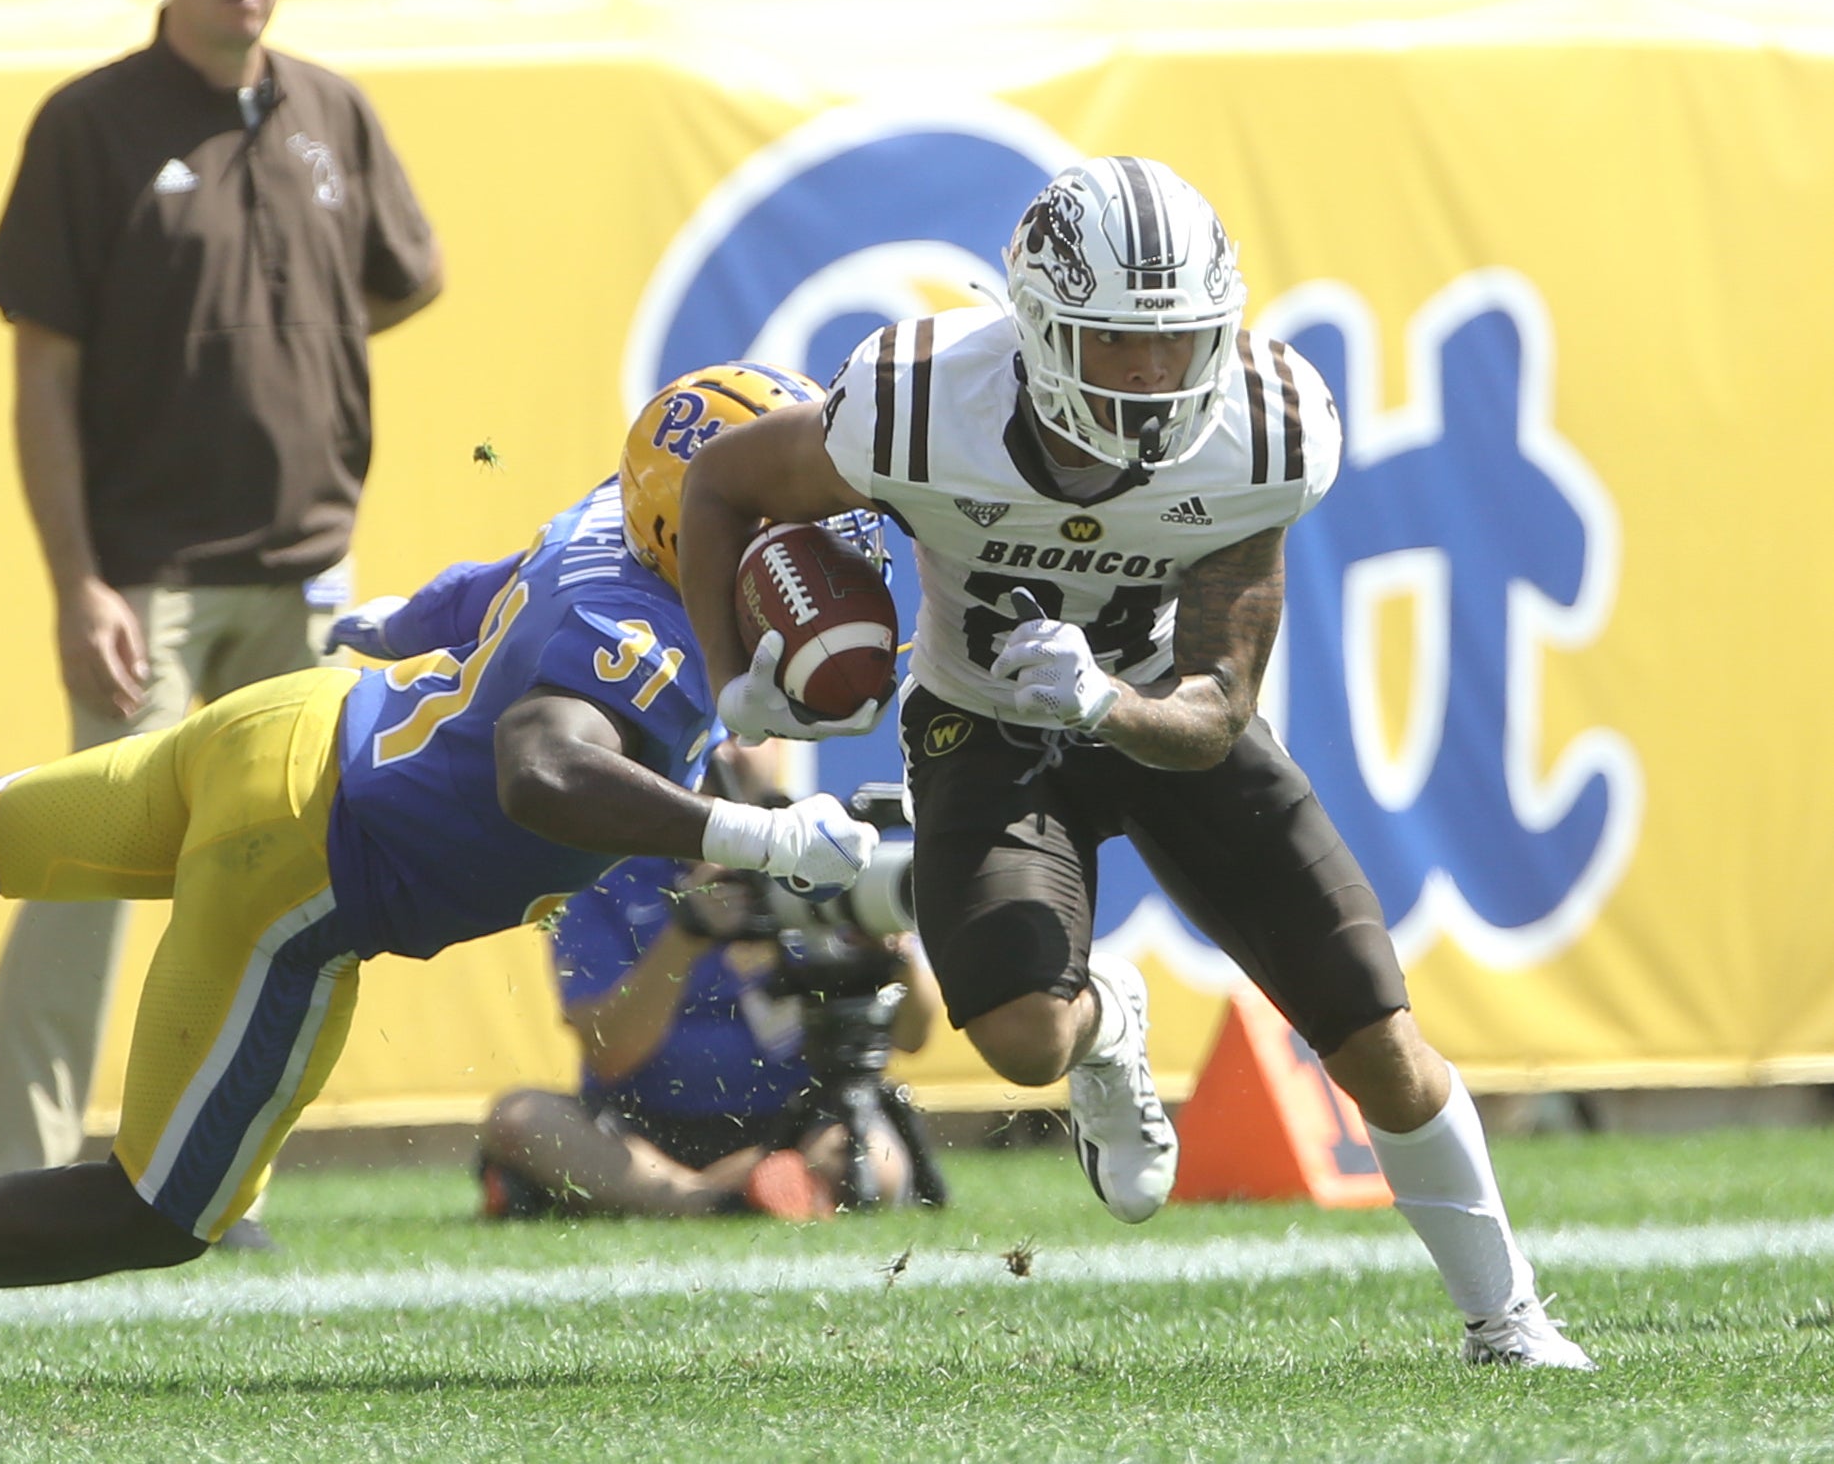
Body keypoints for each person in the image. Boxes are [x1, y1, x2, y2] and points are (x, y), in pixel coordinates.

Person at [0, 364, 878, 1388]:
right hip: (318, 853)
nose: (804, 536)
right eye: (778, 511)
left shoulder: (607, 520)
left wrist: (380, 617)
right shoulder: (646, 628)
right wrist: (739, 832)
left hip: (295, 718)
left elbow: (479, 588)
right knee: (157, 1210)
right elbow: (541, 766)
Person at [672, 156, 1597, 1371]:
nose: (1158, 376)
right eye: (1119, 343)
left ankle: (1508, 1316)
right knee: (1019, 1039)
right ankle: (1110, 1027)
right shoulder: (916, 401)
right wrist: (736, 680)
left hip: (1165, 722)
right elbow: (724, 477)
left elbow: (1216, 707)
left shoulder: (1260, 430)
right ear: (1043, 329)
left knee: (1371, 1024)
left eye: (1181, 340)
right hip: (984, 725)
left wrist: (1109, 700)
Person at [0, 0, 442, 1201]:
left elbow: (401, 280)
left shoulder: (328, 114)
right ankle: (8, 1170)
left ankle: (216, 1178)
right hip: (147, 581)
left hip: (302, 576)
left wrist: (298, 359)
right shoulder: (89, 123)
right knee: (76, 881)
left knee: (274, 896)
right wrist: (78, 580)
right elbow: (40, 376)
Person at [479, 742, 942, 1221]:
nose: (727, 754)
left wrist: (892, 952)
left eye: (746, 737)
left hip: (799, 1122)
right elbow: (610, 1053)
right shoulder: (604, 871)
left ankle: (690, 1195)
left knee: (875, 1160)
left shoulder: (825, 853)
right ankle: (717, 1198)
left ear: (780, 747)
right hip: (638, 1126)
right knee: (520, 1118)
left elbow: (914, 1036)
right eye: (710, 733)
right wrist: (686, 934)